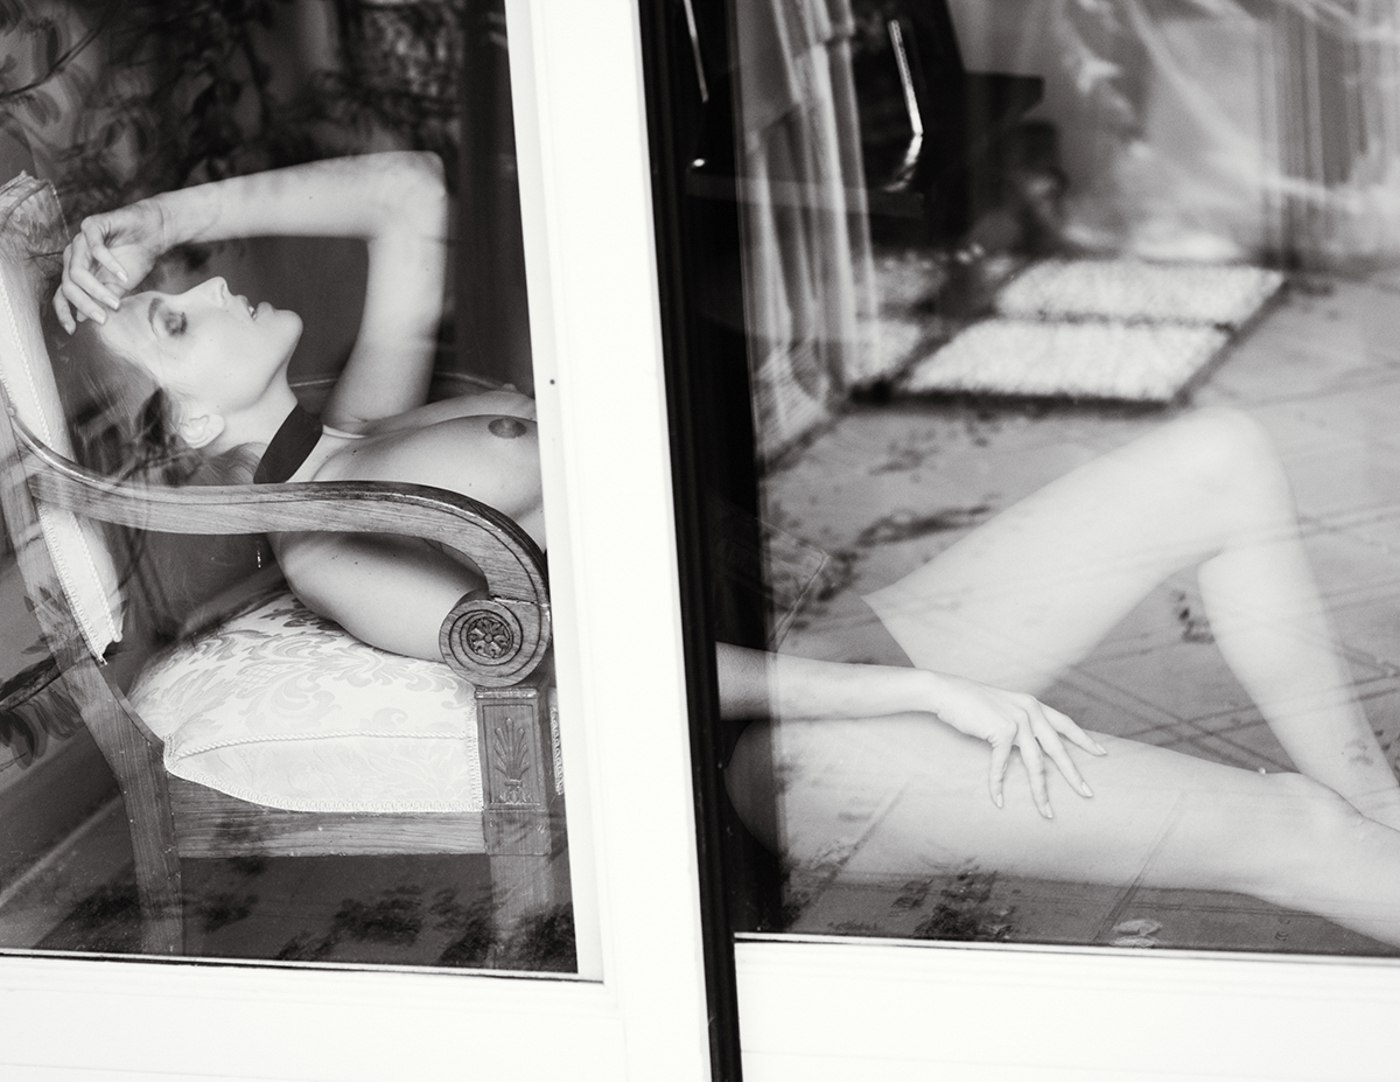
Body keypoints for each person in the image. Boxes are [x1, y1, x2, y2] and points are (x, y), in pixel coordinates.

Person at [51, 152, 1400, 948]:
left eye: (185, 277)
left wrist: (166, 218)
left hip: (835, 626)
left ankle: (1381, 818)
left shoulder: (359, 423)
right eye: (175, 318)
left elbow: (409, 190)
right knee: (1286, 832)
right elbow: (612, 670)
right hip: (795, 751)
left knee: (1222, 455)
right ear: (194, 426)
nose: (211, 284)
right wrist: (920, 691)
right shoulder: (339, 545)